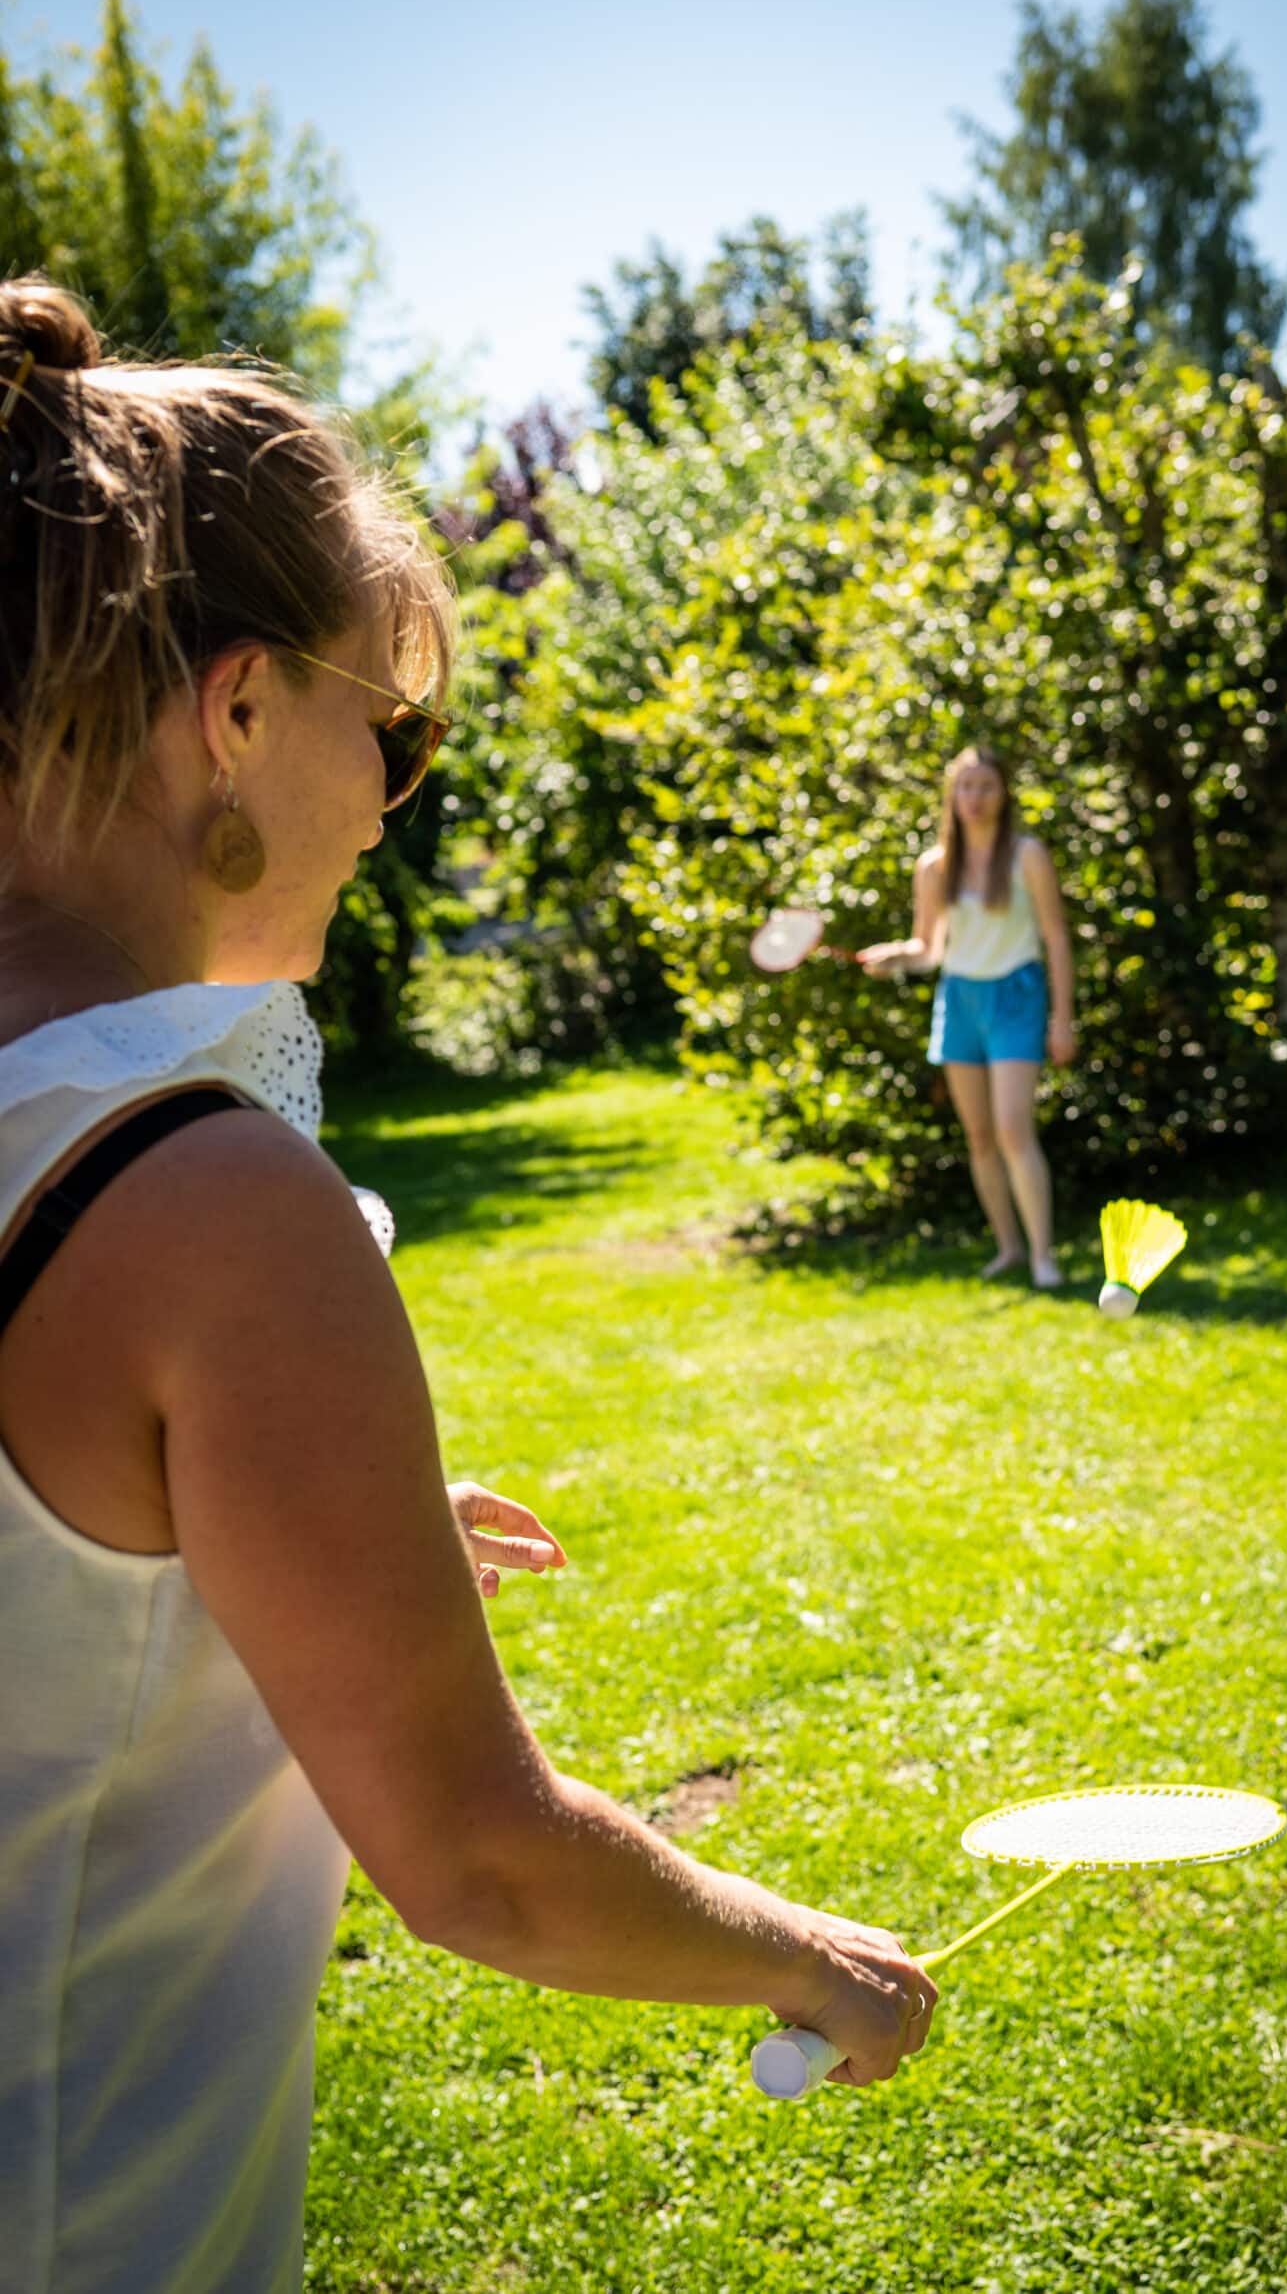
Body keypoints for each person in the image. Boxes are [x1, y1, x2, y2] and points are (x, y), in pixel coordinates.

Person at [0, 279, 936, 2294]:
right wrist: (820, 1960)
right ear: (235, 709)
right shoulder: (211, 1205)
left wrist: (218, 1561)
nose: (396, 796)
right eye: (396, 731)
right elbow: (480, 1858)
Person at [858, 744, 1076, 1283]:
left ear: (1004, 796)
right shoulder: (934, 866)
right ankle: (1009, 1250)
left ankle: (1044, 1255)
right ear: (951, 795)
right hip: (958, 1000)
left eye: (985, 787)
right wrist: (896, 959)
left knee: (1011, 1130)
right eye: (965, 786)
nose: (974, 798)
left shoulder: (1027, 855)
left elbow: (1056, 937)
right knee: (979, 1137)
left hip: (1016, 997)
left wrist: (1062, 1018)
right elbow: (929, 948)